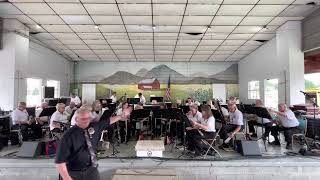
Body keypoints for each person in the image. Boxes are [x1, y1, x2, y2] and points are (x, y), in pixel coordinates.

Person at [55, 106, 132, 180]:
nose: (86, 121)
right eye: (83, 119)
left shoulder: (94, 127)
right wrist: (67, 178)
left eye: (88, 118)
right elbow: (60, 161)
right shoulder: (68, 136)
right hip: (74, 172)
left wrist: (121, 116)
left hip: (91, 170)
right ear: (76, 119)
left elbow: (109, 121)